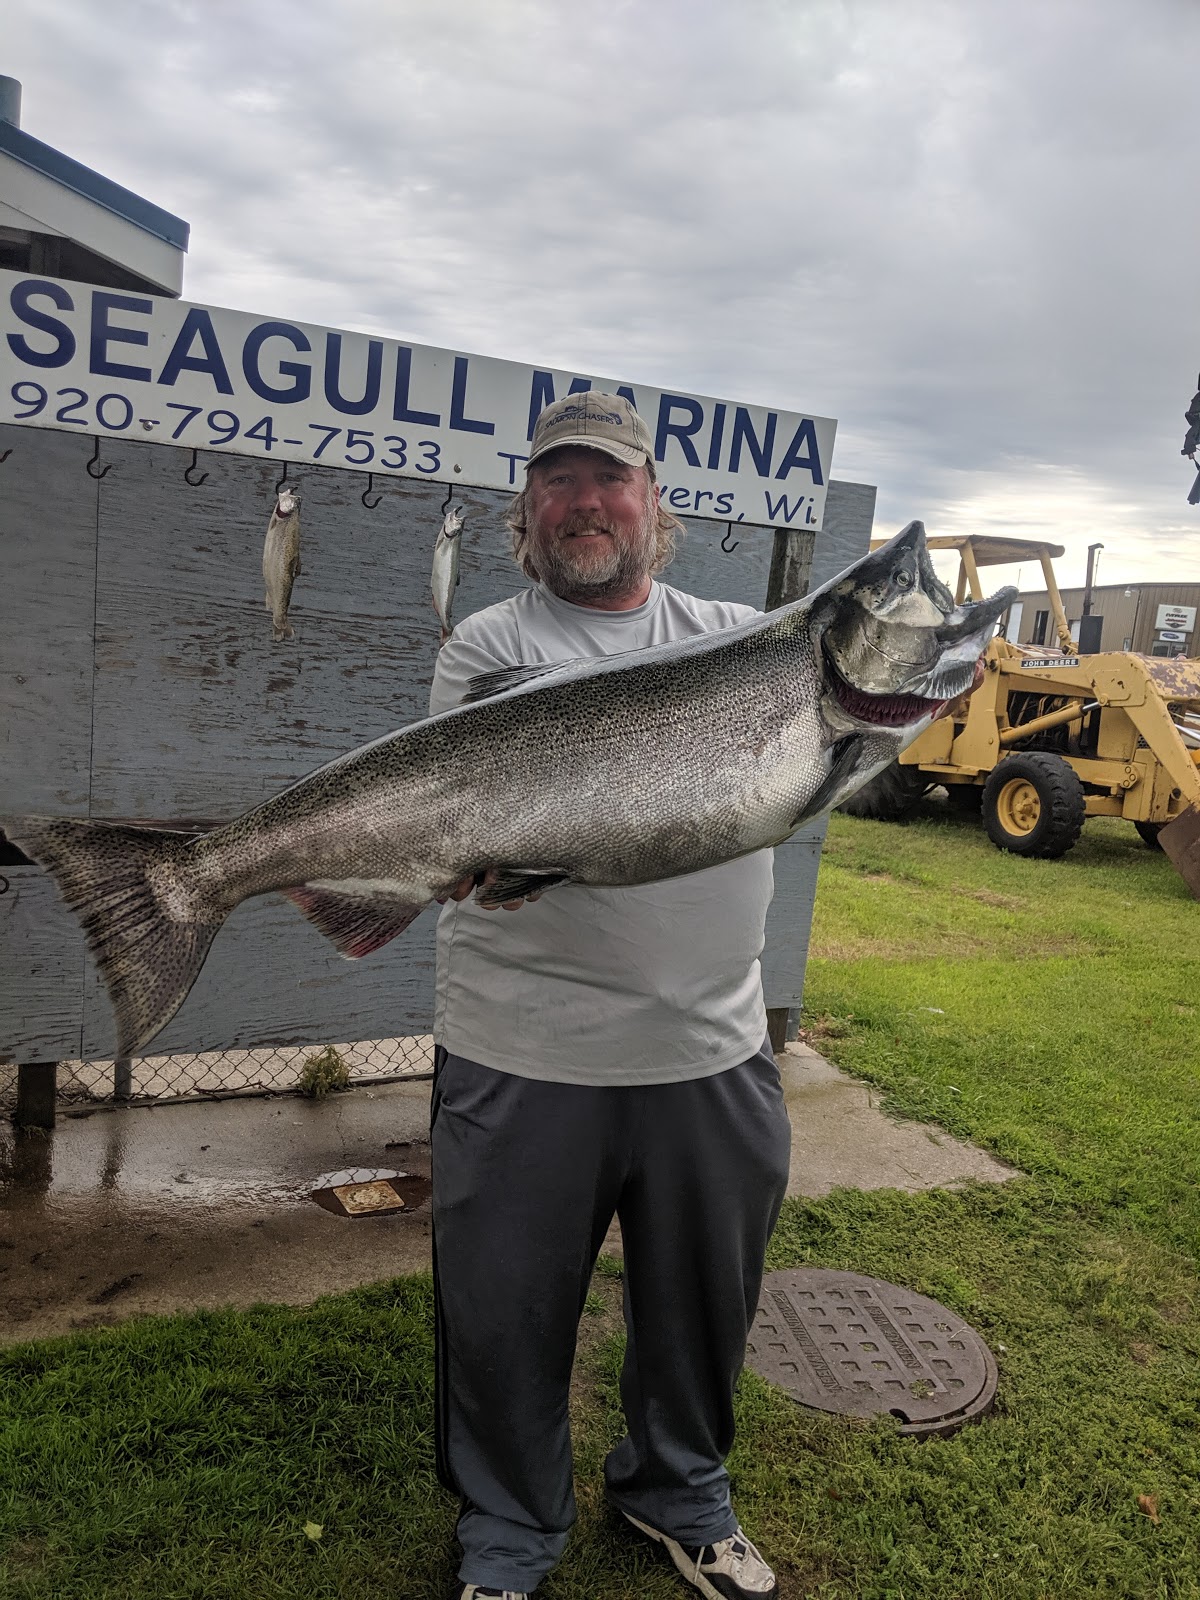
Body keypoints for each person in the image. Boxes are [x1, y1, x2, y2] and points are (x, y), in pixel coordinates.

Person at [429, 392, 791, 1600]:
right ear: (526, 513)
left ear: (654, 504)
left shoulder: (740, 637)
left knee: (701, 1309)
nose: (586, 503)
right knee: (503, 1313)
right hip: (524, 1049)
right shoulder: (488, 649)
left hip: (712, 1046)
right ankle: (508, 1528)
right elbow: (483, 838)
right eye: (559, 483)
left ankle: (679, 1492)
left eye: (610, 480)